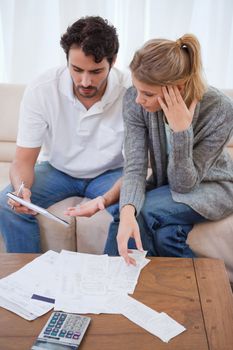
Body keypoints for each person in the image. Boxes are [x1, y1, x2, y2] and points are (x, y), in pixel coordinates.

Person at [68, 33, 233, 265]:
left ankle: (109, 288)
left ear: (177, 88)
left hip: (215, 189)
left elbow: (184, 184)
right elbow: (135, 167)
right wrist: (125, 212)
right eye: (137, 90)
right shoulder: (133, 100)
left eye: (147, 94)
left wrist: (181, 131)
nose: (138, 100)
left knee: (143, 212)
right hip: (168, 188)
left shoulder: (221, 110)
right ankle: (207, 287)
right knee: (163, 235)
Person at [0, 16, 130, 253]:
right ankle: (31, 279)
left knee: (133, 208)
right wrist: (21, 190)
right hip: (57, 170)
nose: (85, 81)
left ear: (113, 62)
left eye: (96, 71)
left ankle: (113, 284)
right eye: (77, 69)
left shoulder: (131, 92)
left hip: (110, 173)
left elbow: (135, 169)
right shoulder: (42, 89)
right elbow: (22, 161)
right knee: (7, 203)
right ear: (67, 60)